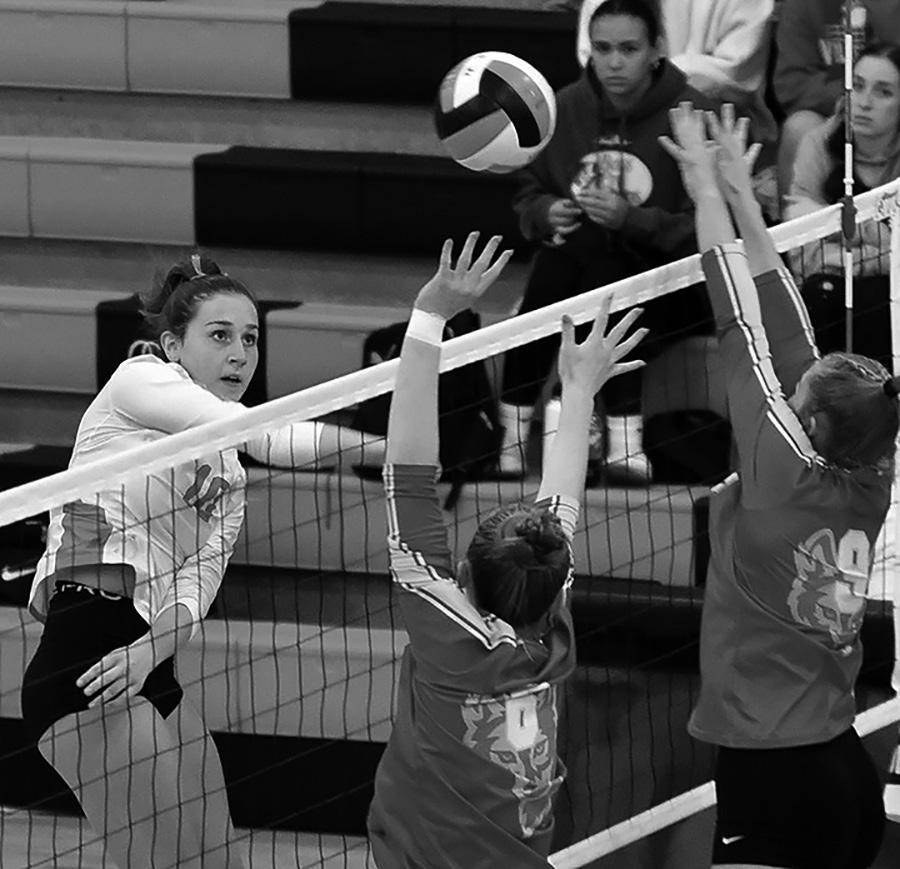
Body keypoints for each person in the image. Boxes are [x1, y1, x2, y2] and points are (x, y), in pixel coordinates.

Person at [19, 254, 382, 869]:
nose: (239, 354)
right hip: (86, 659)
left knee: (221, 861)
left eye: (250, 339)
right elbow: (266, 433)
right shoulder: (138, 382)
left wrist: (148, 652)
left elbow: (194, 590)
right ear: (172, 346)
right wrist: (388, 447)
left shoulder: (231, 479)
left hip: (148, 660)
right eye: (220, 336)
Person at [367, 231, 647, 868]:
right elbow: (415, 482)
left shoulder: (453, 637)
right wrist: (580, 390)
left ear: (463, 574)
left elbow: (409, 471)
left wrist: (430, 314)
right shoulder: (553, 633)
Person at [661, 104, 894, 868]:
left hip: (774, 773)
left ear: (811, 422)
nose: (785, 395)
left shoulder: (779, 474)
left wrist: (706, 189)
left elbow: (739, 320)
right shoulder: (874, 466)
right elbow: (789, 334)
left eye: (796, 397)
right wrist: (743, 197)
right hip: (841, 768)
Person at [497, 0, 714, 484]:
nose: (614, 62)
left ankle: (622, 440)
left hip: (674, 285)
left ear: (657, 50)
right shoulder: (563, 109)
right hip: (581, 273)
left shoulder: (692, 112)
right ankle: (511, 441)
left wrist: (630, 219)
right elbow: (529, 194)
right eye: (603, 49)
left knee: (607, 274)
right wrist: (545, 212)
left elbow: (708, 229)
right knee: (560, 267)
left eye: (629, 49)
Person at [785, 42, 900, 368]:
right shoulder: (817, 144)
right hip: (829, 284)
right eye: (857, 86)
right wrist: (877, 241)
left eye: (883, 92)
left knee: (876, 299)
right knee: (822, 292)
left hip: (891, 290)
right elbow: (801, 249)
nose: (864, 102)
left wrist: (837, 228)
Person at [577, 0, 778, 142]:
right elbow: (594, 59)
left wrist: (658, 78)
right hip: (621, 115)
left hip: (714, 122)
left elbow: (736, 70)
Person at [774, 0, 900, 204]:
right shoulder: (801, 5)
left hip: (890, 112)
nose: (865, 102)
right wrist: (849, 95)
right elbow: (792, 84)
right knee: (799, 127)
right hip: (826, 111)